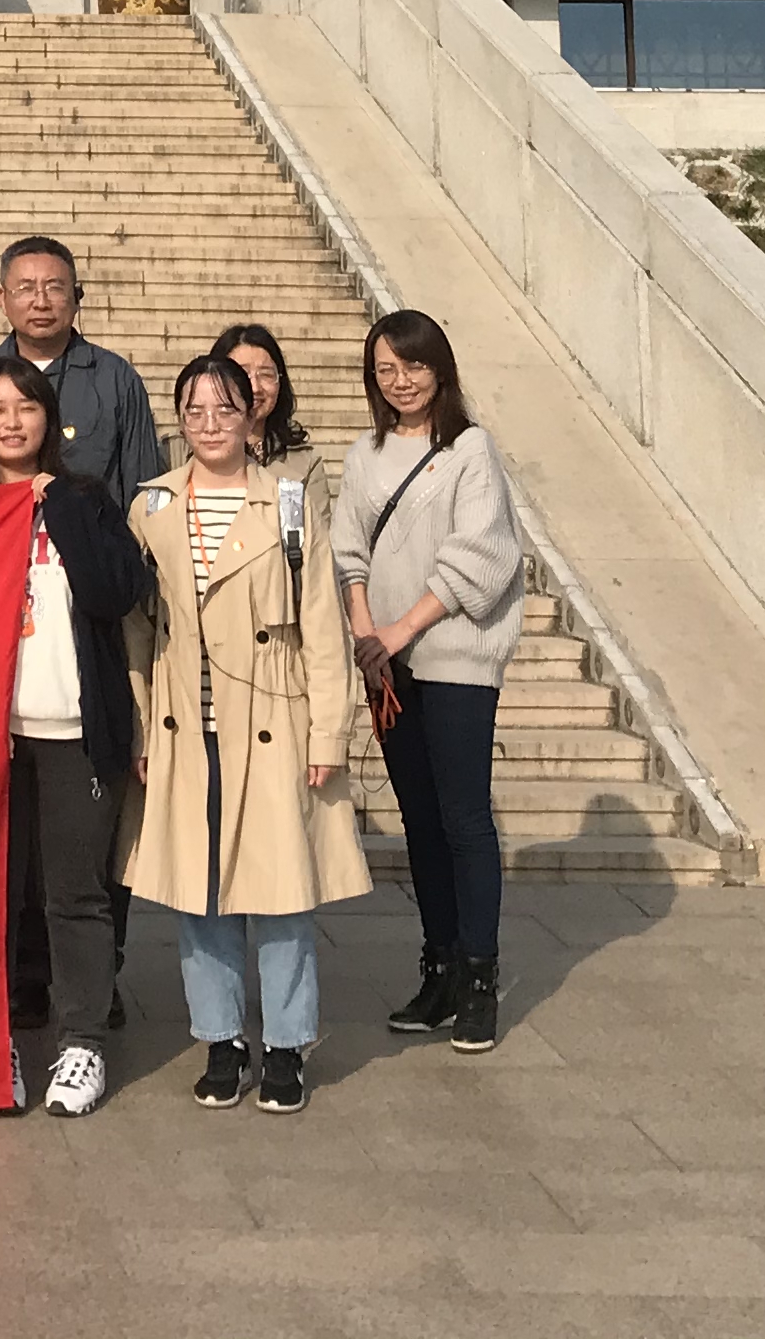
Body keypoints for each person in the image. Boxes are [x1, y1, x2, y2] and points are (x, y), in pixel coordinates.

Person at [119, 352, 367, 1115]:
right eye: (194, 411)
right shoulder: (152, 505)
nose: (210, 424)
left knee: (283, 894)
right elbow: (137, 631)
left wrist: (329, 734)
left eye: (225, 408)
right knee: (200, 895)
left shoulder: (288, 503)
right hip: (186, 726)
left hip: (272, 723)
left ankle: (287, 1044)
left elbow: (323, 625)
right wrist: (140, 727)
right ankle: (221, 1039)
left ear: (250, 414)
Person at [0, 354, 152, 1117]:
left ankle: (82, 1041)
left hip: (74, 730)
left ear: (49, 418)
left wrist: (60, 506)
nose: (12, 422)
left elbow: (116, 591)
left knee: (76, 894)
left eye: (27, 406)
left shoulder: (86, 500)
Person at [333, 308, 524, 1056]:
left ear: (439, 369)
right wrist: (366, 637)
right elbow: (348, 551)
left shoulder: (470, 450)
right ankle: (439, 966)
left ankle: (479, 977)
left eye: (411, 366)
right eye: (384, 369)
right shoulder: (364, 454)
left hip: (455, 658)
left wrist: (400, 630)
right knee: (418, 818)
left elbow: (481, 555)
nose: (400, 381)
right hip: (388, 664)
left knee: (463, 818)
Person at [0, 237, 167, 493]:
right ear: (3, 299)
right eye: (25, 289)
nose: (41, 303)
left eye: (54, 288)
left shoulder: (114, 378)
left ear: (76, 297)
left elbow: (144, 483)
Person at [218, 321, 341, 543]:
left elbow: (319, 545)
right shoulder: (183, 453)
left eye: (266, 375)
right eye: (242, 374)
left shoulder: (304, 463)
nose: (255, 387)